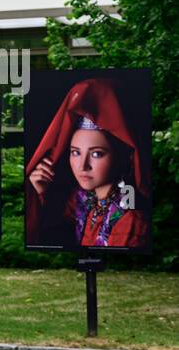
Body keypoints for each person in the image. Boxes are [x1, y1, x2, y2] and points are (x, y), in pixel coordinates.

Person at [26, 78, 150, 249]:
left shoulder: (130, 220)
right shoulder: (83, 198)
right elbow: (53, 225)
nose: (82, 165)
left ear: (122, 157)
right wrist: (42, 192)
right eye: (75, 152)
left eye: (97, 154)